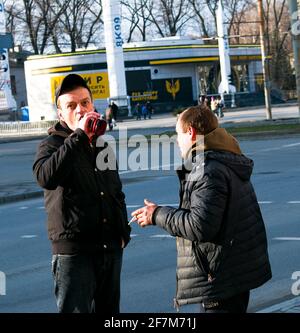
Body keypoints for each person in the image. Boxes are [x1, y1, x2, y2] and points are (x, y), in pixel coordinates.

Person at [131, 104, 272, 313]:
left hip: (219, 278)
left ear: (191, 132)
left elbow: (200, 226)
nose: (177, 140)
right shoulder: (226, 157)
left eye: (178, 134)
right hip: (234, 273)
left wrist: (157, 215)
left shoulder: (207, 168)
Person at [32, 73, 131, 313]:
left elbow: (115, 192)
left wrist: (123, 233)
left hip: (109, 249)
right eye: (71, 105)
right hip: (74, 254)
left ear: (93, 105)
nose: (80, 109)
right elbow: (46, 177)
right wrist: (77, 136)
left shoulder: (102, 144)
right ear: (61, 114)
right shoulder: (51, 145)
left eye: (85, 102)